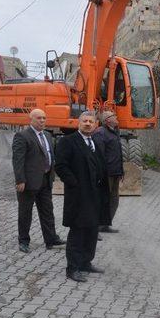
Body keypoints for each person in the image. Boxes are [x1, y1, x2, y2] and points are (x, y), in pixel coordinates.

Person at [54, 111, 110, 282]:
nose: (87, 123)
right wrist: (74, 183)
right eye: (84, 121)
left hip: (95, 196)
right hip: (79, 195)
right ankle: (73, 268)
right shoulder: (68, 142)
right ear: (78, 123)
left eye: (90, 121)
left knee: (92, 230)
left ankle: (86, 262)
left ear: (95, 125)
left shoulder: (95, 142)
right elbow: (61, 166)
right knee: (78, 231)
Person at [12, 109, 66, 253]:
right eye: (39, 118)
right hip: (28, 182)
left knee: (47, 211)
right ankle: (23, 240)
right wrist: (20, 180)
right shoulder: (22, 136)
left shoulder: (47, 135)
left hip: (45, 180)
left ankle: (51, 239)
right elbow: (18, 160)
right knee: (25, 213)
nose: (42, 120)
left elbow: (50, 156)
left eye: (44, 118)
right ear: (31, 119)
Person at [92, 111, 124, 234]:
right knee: (103, 199)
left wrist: (121, 171)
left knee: (114, 199)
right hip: (107, 173)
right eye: (113, 116)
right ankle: (96, 226)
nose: (116, 117)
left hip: (116, 172)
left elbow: (118, 154)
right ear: (107, 120)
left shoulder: (115, 132)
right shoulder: (100, 133)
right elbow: (99, 155)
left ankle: (105, 224)